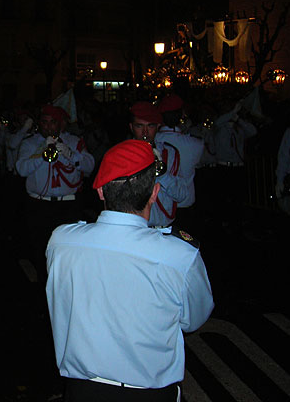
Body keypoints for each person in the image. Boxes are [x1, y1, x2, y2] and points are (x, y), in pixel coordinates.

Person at [46, 139, 214, 401]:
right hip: (150, 394)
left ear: (101, 191)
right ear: (155, 193)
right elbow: (194, 319)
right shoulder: (180, 255)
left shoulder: (61, 240)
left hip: (82, 391)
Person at [16, 104, 95, 282]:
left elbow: (90, 165)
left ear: (60, 124)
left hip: (68, 205)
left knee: (68, 253)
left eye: (53, 123)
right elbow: (21, 169)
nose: (48, 127)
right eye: (44, 122)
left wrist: (70, 154)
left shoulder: (74, 141)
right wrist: (41, 152)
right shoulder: (30, 143)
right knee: (41, 250)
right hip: (39, 205)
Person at [128, 101, 186, 228]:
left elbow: (181, 195)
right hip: (134, 228)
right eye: (139, 126)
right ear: (131, 127)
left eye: (150, 126)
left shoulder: (169, 153)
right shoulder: (122, 154)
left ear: (158, 126)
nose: (145, 133)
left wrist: (161, 172)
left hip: (162, 229)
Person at [155, 94, 203, 228]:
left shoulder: (153, 141)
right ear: (181, 114)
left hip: (160, 207)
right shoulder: (196, 143)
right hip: (184, 205)